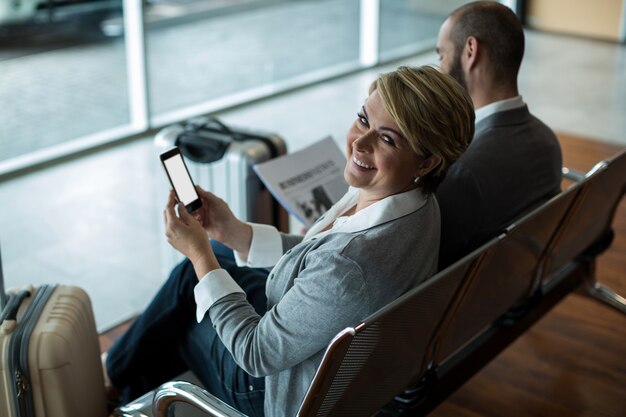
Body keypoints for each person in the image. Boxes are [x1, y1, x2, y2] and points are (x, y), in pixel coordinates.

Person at [103, 65, 475, 417]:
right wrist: (232, 231)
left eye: (387, 139)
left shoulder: (351, 265)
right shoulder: (416, 203)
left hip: (277, 391)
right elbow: (317, 262)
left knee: (185, 295)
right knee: (211, 259)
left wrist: (199, 255)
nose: (360, 143)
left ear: (426, 162)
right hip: (327, 358)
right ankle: (121, 381)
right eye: (363, 119)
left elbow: (255, 353)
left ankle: (115, 386)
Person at [435, 1, 563, 270]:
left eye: (442, 55)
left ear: (471, 51)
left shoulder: (463, 172)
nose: (440, 68)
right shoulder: (548, 141)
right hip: (518, 284)